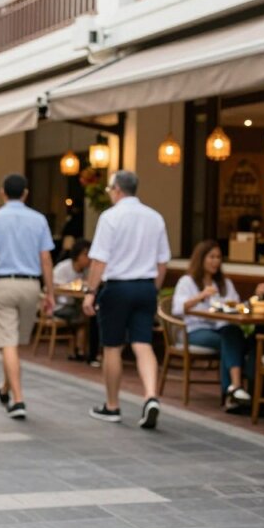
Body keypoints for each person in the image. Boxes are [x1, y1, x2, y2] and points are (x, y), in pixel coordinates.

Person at [83, 170, 170, 430]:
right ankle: (151, 395)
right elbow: (162, 261)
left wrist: (90, 291)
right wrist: (152, 288)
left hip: (118, 287)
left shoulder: (110, 217)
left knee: (112, 347)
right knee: (143, 343)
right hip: (145, 286)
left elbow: (99, 259)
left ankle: (112, 405)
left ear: (117, 189)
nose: (109, 193)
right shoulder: (155, 218)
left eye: (110, 189)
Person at [0, 174, 55, 420]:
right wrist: (50, 291)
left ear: (2, 193)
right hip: (31, 286)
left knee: (8, 344)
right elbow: (45, 258)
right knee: (16, 343)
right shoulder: (39, 219)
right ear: (25, 193)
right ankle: (5, 388)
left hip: (2, 284)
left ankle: (18, 400)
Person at [171, 240, 249, 407]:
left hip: (220, 326)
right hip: (194, 330)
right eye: (211, 257)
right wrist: (201, 296)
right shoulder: (187, 281)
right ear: (201, 259)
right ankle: (234, 389)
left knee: (233, 333)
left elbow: (235, 303)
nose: (216, 261)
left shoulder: (224, 283)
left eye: (219, 257)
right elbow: (177, 308)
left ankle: (233, 390)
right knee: (228, 341)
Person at [53, 238, 91, 361]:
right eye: (85, 255)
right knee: (82, 316)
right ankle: (79, 349)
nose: (88, 259)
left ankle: (80, 349)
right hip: (60, 305)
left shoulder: (88, 271)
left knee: (86, 314)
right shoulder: (63, 268)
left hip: (77, 304)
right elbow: (54, 288)